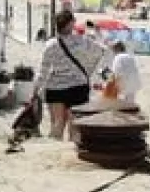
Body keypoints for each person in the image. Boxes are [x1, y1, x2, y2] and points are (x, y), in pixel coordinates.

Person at [34, 9, 104, 141]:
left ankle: (55, 155)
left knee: (57, 125)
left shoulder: (50, 45)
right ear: (71, 24)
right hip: (78, 86)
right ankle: (71, 157)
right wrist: (88, 70)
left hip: (55, 87)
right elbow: (100, 51)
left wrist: (35, 90)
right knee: (75, 127)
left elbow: (43, 71)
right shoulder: (82, 41)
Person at [107, 39, 142, 107]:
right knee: (130, 100)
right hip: (135, 82)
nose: (113, 51)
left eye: (113, 49)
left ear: (117, 49)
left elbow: (115, 73)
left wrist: (108, 83)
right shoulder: (130, 56)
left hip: (125, 83)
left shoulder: (118, 57)